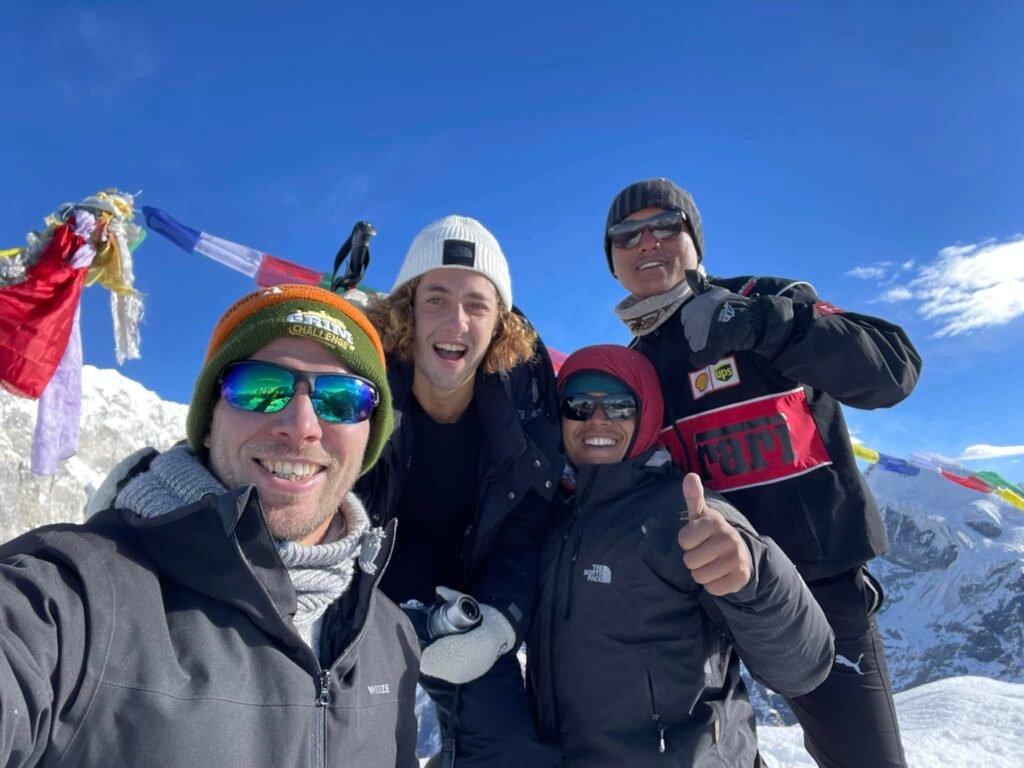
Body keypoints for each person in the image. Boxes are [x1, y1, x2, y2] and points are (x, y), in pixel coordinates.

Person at [0, 284, 420, 767]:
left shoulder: (391, 638)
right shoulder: (77, 597)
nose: (302, 423)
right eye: (260, 387)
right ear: (206, 421)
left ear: (369, 437)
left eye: (344, 399)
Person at [602, 178, 923, 768]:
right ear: (614, 263)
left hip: (822, 592)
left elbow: (894, 370)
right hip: (706, 604)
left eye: (666, 225)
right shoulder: (636, 365)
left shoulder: (764, 298)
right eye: (626, 235)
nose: (646, 241)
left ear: (694, 240)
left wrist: (764, 324)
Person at [527, 343, 833, 767]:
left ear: (647, 412)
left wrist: (753, 579)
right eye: (578, 405)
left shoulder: (688, 513)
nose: (597, 419)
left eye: (618, 406)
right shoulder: (551, 520)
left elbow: (802, 667)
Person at [361, 215, 561, 767]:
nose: (456, 321)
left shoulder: (528, 415)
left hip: (466, 613)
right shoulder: (354, 390)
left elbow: (525, 532)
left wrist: (499, 622)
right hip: (359, 602)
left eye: (477, 304)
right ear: (405, 311)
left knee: (515, 754)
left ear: (500, 323)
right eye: (436, 300)